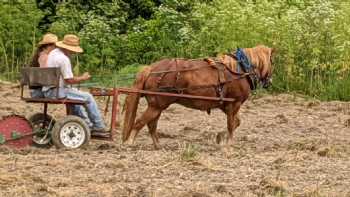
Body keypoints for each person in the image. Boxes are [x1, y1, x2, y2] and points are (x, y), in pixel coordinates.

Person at [43, 34, 106, 134]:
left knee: (77, 97)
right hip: (57, 92)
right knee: (88, 97)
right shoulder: (63, 59)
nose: (73, 53)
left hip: (49, 90)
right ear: (69, 49)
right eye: (73, 50)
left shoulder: (53, 53)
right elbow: (69, 80)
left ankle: (87, 125)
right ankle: (99, 126)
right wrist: (83, 77)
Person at [30, 33, 58, 98]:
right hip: (38, 92)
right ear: (49, 46)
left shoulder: (39, 54)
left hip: (35, 91)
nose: (56, 48)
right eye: (55, 46)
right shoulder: (44, 57)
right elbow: (46, 76)